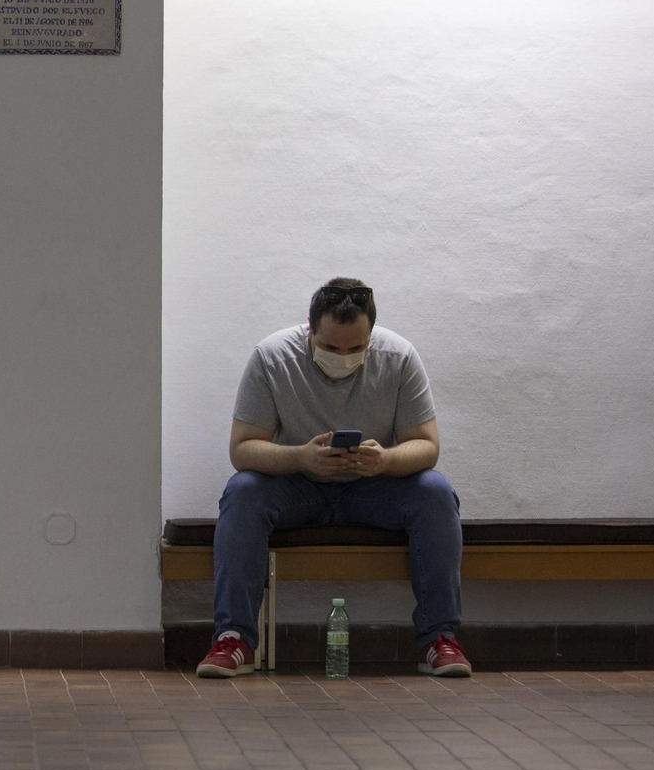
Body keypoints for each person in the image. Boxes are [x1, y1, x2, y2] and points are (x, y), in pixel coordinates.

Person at [195, 278, 471, 679]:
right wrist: (301, 457)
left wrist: (386, 460)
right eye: (330, 348)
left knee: (435, 491)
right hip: (298, 487)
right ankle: (234, 638)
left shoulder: (400, 357)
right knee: (242, 492)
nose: (343, 357)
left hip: (372, 487)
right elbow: (242, 449)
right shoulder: (272, 358)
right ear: (310, 330)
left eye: (356, 349)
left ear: (371, 336)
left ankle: (438, 639)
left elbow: (427, 446)